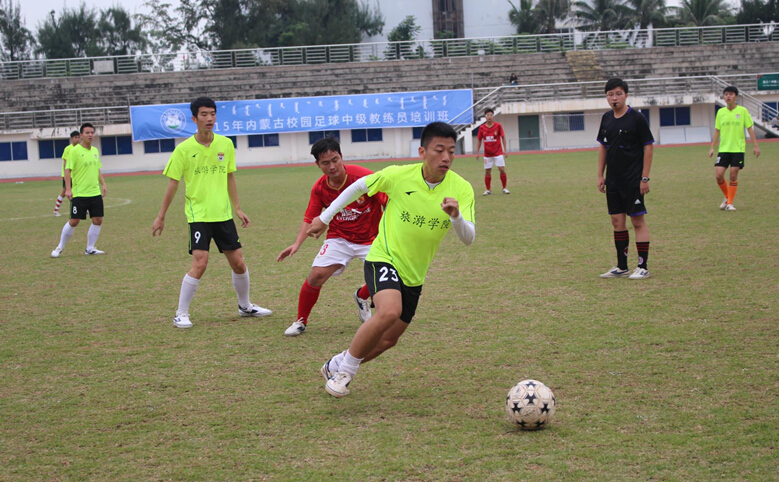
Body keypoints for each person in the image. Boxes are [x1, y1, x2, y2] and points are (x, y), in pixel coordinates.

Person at [308, 122, 476, 398]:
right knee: (388, 312)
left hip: (415, 273)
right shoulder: (398, 175)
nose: (446, 157)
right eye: (439, 150)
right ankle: (344, 373)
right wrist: (325, 218)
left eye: (451, 151)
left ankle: (337, 362)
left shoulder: (462, 188)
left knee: (389, 339)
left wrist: (456, 216)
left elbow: (468, 238)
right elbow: (358, 187)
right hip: (383, 257)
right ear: (422, 152)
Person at [151, 97, 271, 329]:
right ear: (194, 118)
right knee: (200, 263)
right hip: (198, 216)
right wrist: (161, 216)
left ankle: (245, 306)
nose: (209, 118)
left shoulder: (225, 144)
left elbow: (229, 176)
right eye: (204, 114)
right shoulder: (183, 150)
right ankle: (181, 313)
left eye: (213, 114)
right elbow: (173, 184)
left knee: (238, 263)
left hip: (223, 215)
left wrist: (237, 208)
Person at [277, 137, 387, 337]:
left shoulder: (363, 177)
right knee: (316, 275)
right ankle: (301, 320)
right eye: (325, 163)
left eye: (335, 160)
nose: (332, 166)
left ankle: (362, 296)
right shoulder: (319, 188)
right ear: (318, 164)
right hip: (339, 238)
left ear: (341, 157)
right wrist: (296, 244)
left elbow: (387, 201)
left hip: (372, 238)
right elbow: (310, 218)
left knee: (385, 278)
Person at [596, 78, 654, 280]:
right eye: (610, 94)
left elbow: (648, 147)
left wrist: (644, 178)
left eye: (618, 94)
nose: (614, 98)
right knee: (617, 221)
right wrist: (600, 175)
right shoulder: (606, 118)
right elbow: (603, 147)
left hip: (633, 180)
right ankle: (622, 267)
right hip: (613, 180)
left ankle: (643, 266)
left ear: (626, 95)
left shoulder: (637, 118)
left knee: (637, 221)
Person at [50, 123, 107, 258]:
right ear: (81, 135)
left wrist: (103, 184)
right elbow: (67, 170)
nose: (90, 135)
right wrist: (68, 189)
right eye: (87, 132)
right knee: (74, 221)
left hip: (95, 192)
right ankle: (60, 247)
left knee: (98, 219)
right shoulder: (74, 151)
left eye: (92, 132)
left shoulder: (95, 151)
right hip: (80, 193)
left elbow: (97, 169)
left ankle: (90, 248)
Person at [708, 86, 760, 211]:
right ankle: (727, 197)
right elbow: (717, 131)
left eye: (731, 94)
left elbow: (749, 128)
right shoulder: (721, 112)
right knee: (719, 175)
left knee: (733, 174)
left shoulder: (742, 111)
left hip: (738, 149)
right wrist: (712, 148)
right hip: (724, 149)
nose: (728, 96)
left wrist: (756, 146)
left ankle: (730, 203)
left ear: (736, 96)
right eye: (726, 94)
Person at [475, 108, 509, 196]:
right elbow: (479, 140)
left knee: (502, 169)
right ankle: (488, 190)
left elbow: (503, 137)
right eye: (487, 115)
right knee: (487, 171)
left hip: (498, 153)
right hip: (487, 154)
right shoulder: (482, 128)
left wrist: (505, 150)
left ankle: (504, 188)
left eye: (491, 115)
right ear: (485, 117)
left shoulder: (498, 126)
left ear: (493, 116)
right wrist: (477, 152)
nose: (489, 117)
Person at [54, 131, 80, 216]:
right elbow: (65, 162)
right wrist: (66, 174)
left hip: (77, 175)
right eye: (75, 137)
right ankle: (56, 210)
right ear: (72, 139)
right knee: (65, 192)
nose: (77, 139)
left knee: (77, 192)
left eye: (78, 137)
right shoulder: (68, 149)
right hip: (68, 175)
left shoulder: (80, 148)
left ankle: (79, 208)